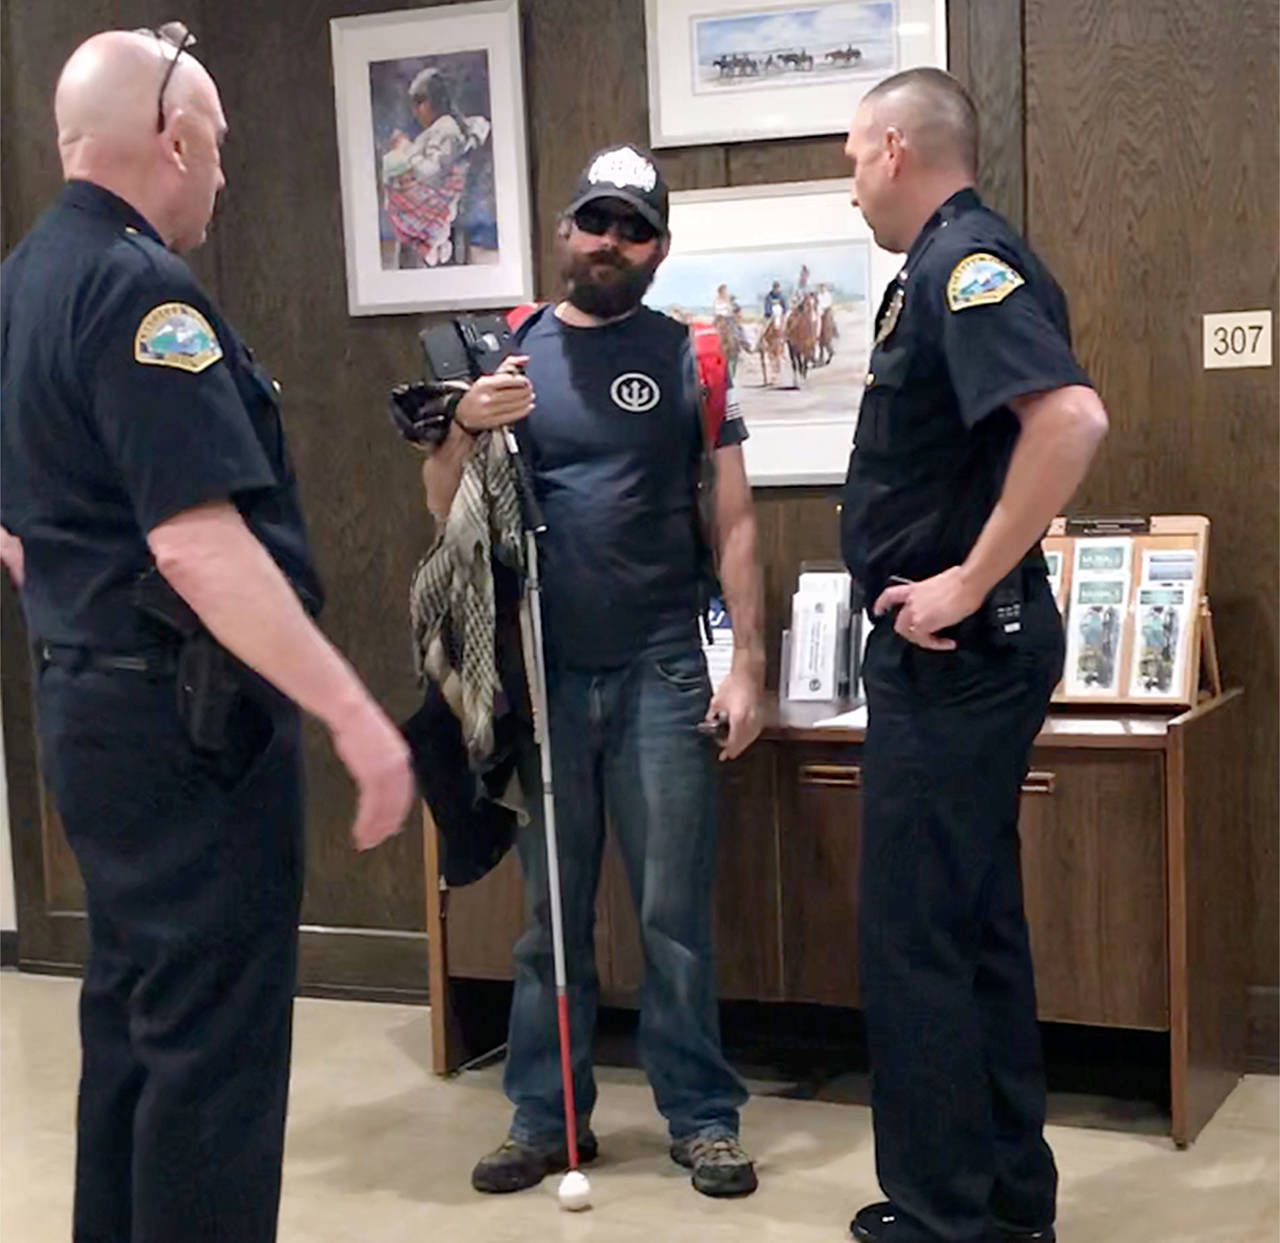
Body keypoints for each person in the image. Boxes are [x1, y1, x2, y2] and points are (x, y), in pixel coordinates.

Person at [0, 27, 414, 1243]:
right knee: (211, 1063)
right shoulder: (142, 293)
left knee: (134, 1025)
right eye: (220, 147)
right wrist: (352, 714)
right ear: (172, 138)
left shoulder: (25, 277)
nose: (224, 175)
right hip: (184, 727)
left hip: (90, 709)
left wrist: (73, 591)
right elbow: (197, 545)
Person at [422, 143, 766, 1199]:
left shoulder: (690, 355)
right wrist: (462, 424)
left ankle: (701, 1119)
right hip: (543, 676)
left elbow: (734, 518)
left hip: (665, 667)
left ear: (658, 247)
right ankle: (545, 1115)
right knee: (549, 918)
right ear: (565, 229)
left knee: (672, 915)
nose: (611, 242)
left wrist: (748, 664)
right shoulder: (506, 349)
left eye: (634, 228)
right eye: (596, 222)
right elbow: (443, 507)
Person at [839, 68, 1109, 1243]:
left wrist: (967, 575)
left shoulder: (963, 263)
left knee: (916, 936)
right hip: (966, 654)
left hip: (956, 652)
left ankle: (942, 1215)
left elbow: (1069, 419)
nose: (851, 184)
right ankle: (1000, 1202)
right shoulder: (944, 265)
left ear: (896, 148)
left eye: (854, 158)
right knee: (972, 924)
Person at [381, 64, 491, 268]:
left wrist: (405, 149)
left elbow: (431, 173)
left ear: (435, 100)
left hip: (432, 217)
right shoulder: (440, 131)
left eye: (419, 102)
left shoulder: (447, 130)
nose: (415, 111)